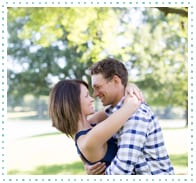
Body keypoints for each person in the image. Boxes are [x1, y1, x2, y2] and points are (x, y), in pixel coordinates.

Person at [85, 58, 174, 175]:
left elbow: (120, 172)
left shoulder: (135, 114)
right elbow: (85, 131)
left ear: (116, 80)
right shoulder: (115, 113)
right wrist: (89, 164)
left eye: (98, 87)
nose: (95, 94)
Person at [48, 79, 141, 170]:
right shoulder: (88, 140)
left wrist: (129, 86)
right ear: (73, 102)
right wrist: (130, 90)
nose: (92, 99)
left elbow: (116, 104)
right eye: (86, 96)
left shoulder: (90, 125)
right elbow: (131, 105)